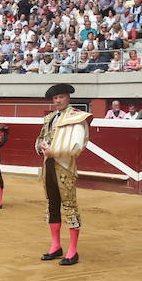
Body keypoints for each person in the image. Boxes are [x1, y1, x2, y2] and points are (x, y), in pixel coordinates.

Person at [35, 83, 92, 266]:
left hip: (65, 166)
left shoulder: (76, 117)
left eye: (61, 97)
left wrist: (52, 150)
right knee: (52, 205)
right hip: (48, 165)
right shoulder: (50, 118)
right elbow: (40, 138)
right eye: (55, 98)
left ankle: (72, 251)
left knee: (69, 206)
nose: (58, 100)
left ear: (68, 97)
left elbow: (76, 146)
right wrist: (40, 147)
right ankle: (56, 246)